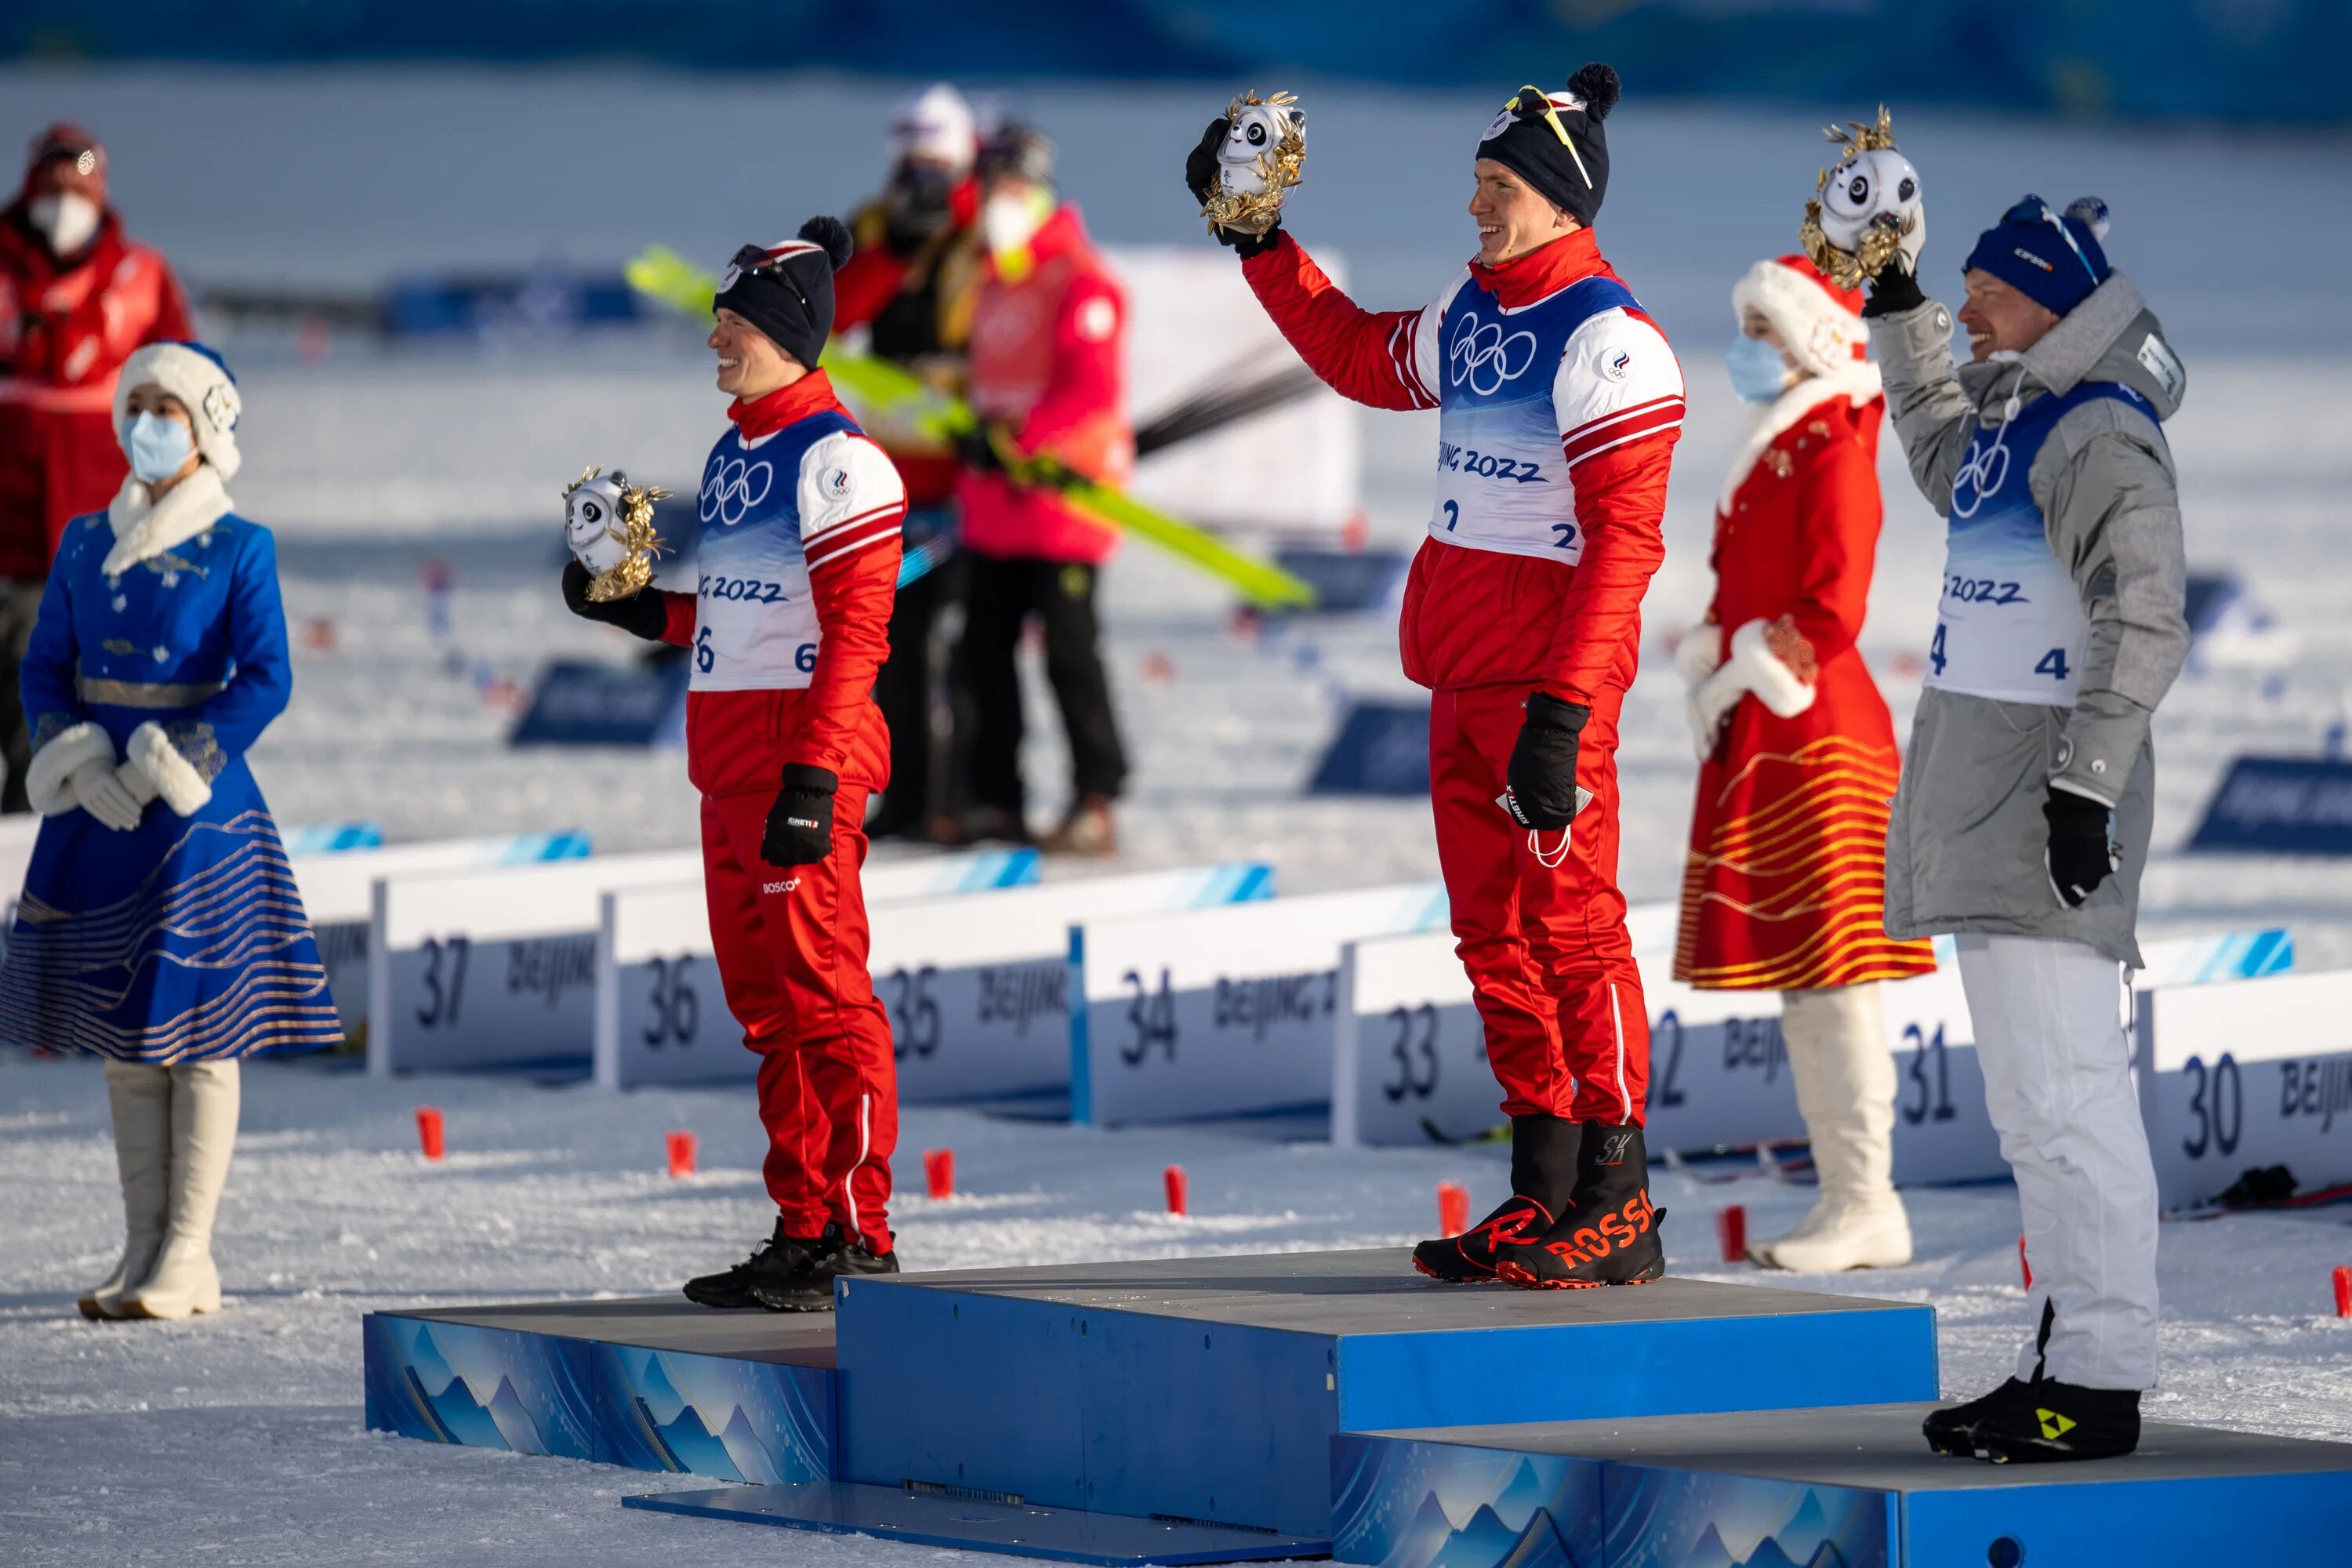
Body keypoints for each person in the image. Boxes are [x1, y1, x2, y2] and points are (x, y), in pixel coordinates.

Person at [1193, 67, 1684, 1288]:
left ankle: (1623, 1200)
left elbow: (1626, 547)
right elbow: (1362, 356)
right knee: (1493, 938)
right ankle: (1548, 1187)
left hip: (1547, 688)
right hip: (1462, 675)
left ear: (1566, 204)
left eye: (1501, 186)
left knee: (1574, 932)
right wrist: (1264, 244)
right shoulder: (1476, 315)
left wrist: (1566, 715)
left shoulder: (1609, 339)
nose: (1478, 203)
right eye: (1475, 180)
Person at [1856, 190, 2189, 1461]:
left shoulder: (2102, 430)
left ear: (2048, 296)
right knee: (2031, 1112)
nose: (1967, 307)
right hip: (1991, 811)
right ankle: (2062, 1360)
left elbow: (2144, 613)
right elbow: (1946, 459)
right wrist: (1901, 321)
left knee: (2070, 1103)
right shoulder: (2020, 413)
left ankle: (2099, 1381)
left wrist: (2086, 788)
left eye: (1984, 290)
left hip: (2049, 814)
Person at [562, 217, 908, 1312]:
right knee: (768, 1010)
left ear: (788, 332)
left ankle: (860, 1234)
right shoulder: (737, 451)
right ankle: (804, 1227)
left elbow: (859, 633)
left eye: (736, 319)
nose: (716, 334)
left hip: (802, 762)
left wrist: (815, 778)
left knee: (825, 997)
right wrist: (634, 609)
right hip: (728, 764)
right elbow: (737, 617)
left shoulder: (838, 459)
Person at [0, 340, 341, 1319]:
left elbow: (267, 676)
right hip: (100, 805)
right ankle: (141, 1243)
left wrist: (174, 759)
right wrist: (73, 758)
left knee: (199, 1036)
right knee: (124, 1037)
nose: (147, 422)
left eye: (168, 406)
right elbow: (43, 669)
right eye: (135, 403)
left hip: (194, 815)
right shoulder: (79, 541)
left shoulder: (241, 545)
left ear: (208, 424)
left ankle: (190, 1251)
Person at [1674, 254, 1937, 1273]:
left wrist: (1744, 669)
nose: (1749, 350)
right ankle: (1846, 1197)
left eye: (1765, 332)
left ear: (1815, 343)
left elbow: (1832, 607)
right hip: (1772, 728)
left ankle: (1868, 1199)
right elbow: (1745, 581)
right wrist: (1712, 640)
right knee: (1805, 987)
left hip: (1818, 732)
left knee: (1837, 983)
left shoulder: (1832, 448)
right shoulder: (1776, 445)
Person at [0, 124, 193, 814]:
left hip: (108, 543)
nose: (64, 204)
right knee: (29, 702)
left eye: (79, 190)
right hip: (14, 541)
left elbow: (187, 398)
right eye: (53, 188)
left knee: (97, 715)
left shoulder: (138, 278)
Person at [957, 122, 1132, 855]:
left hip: (1065, 508)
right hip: (996, 512)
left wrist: (1015, 438)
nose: (1003, 202)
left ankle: (1096, 797)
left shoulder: (1080, 280)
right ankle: (997, 801)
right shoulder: (994, 279)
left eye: (1016, 188)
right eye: (994, 187)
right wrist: (977, 433)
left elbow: (1090, 390)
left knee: (1070, 658)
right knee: (982, 658)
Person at [832, 83, 985, 842]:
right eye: (912, 161)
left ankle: (958, 798)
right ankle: (903, 796)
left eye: (937, 164)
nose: (923, 176)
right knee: (889, 647)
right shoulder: (877, 223)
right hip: (889, 472)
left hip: (970, 474)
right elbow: (838, 314)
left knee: (961, 651)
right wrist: (895, 246)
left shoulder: (991, 228)